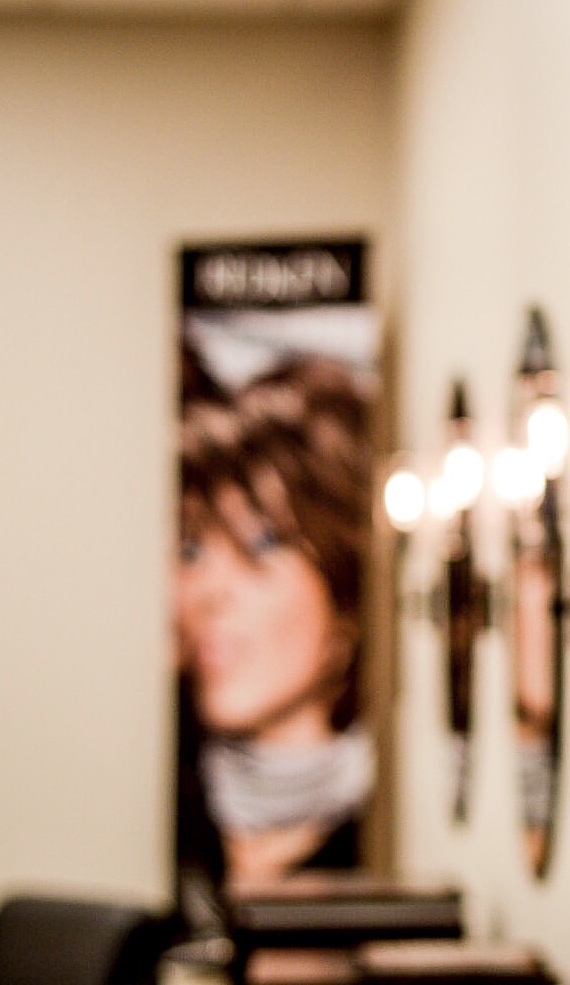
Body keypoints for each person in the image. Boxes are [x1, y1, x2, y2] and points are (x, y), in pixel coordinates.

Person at [174, 351, 374, 886]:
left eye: (261, 544)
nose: (210, 590)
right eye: (192, 549)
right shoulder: (155, 826)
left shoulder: (404, 835)